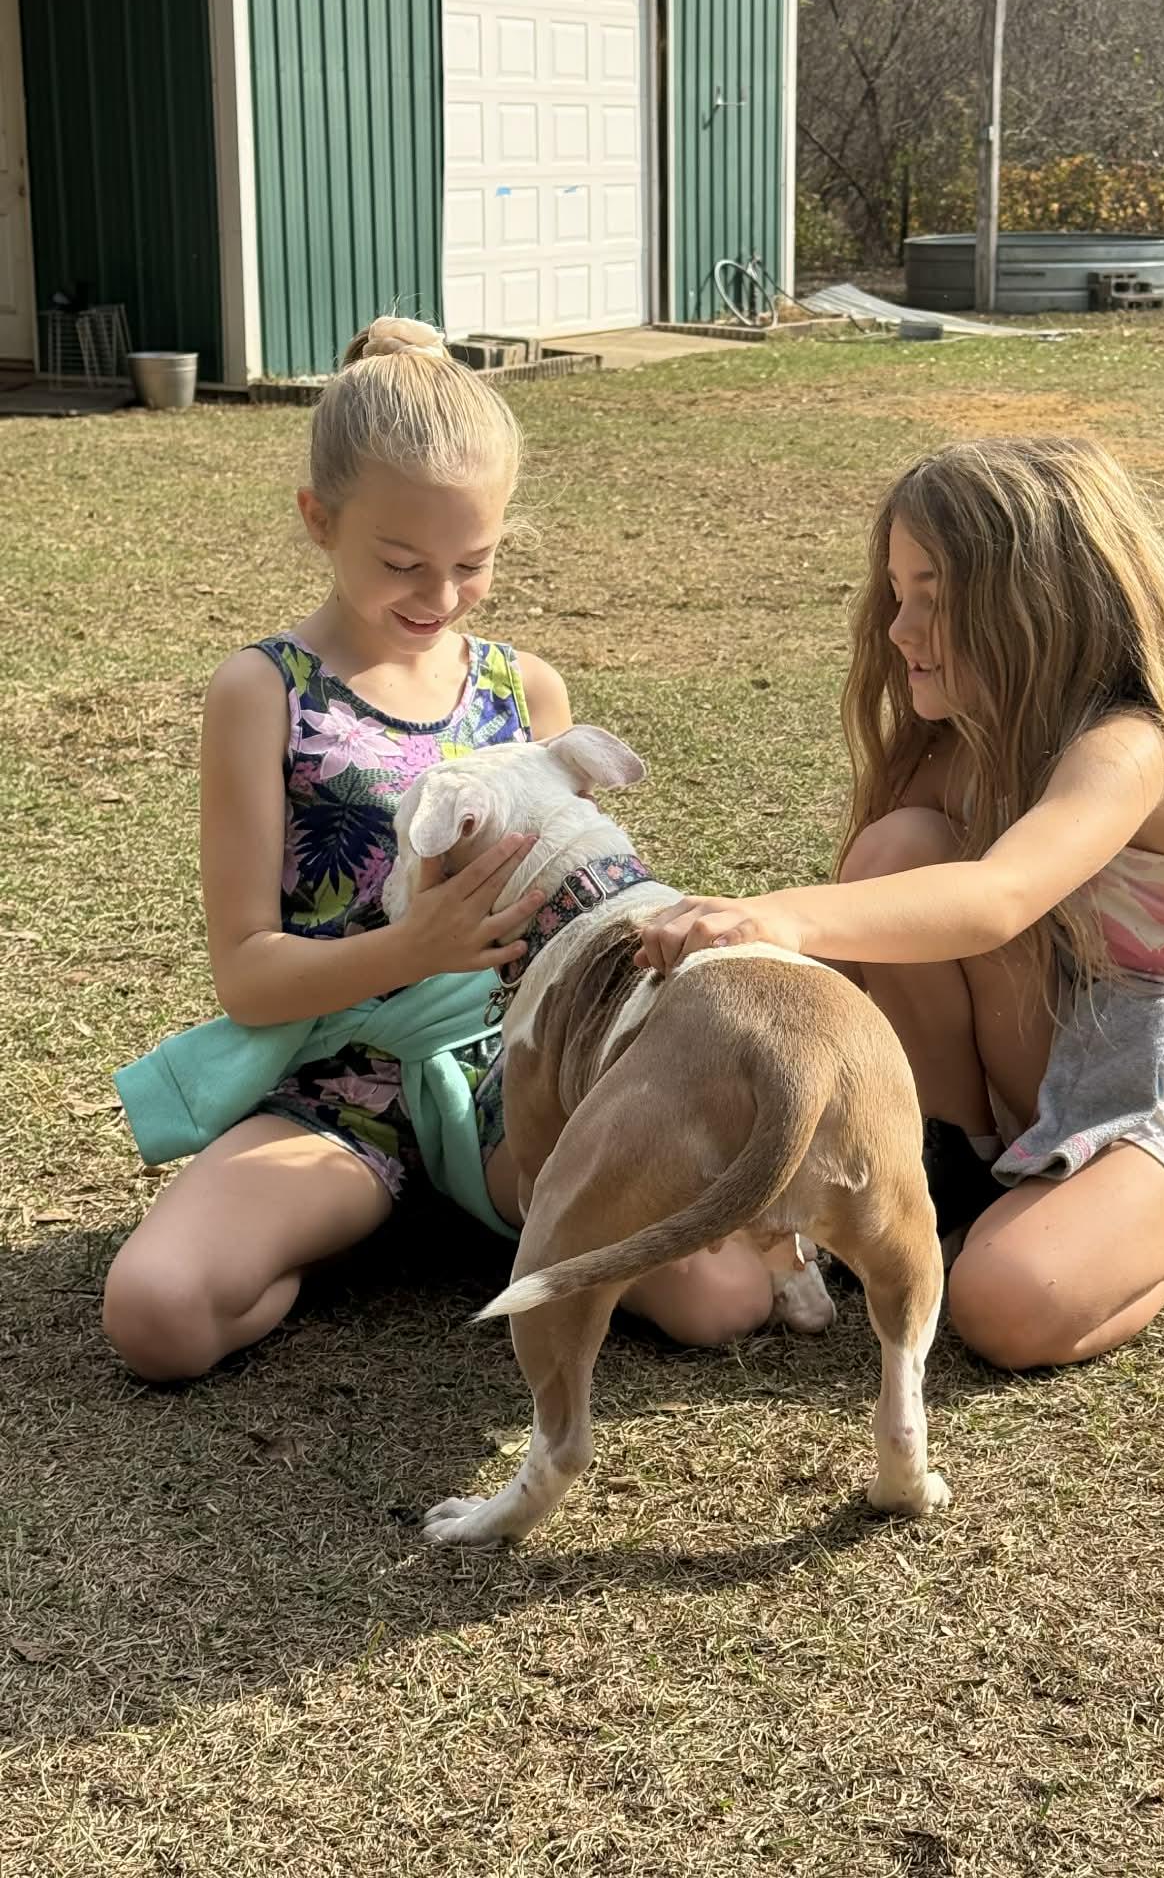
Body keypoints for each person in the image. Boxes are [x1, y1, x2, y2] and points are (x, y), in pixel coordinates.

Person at [104, 317, 772, 1381]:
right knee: (159, 1314)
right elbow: (247, 972)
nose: (441, 596)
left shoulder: (525, 689)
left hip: (523, 1074)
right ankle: (377, 1216)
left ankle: (486, 1202)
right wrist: (412, 946)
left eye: (474, 561)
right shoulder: (262, 692)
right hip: (345, 1090)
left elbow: (592, 907)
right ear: (318, 518)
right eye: (403, 562)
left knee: (723, 1298)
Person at [637, 438, 1164, 1371]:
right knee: (897, 856)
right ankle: (960, 1172)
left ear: (1042, 606)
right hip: (1077, 1022)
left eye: (935, 596)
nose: (899, 627)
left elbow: (997, 899)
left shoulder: (1134, 746)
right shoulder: (968, 741)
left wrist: (782, 915)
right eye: (897, 592)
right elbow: (910, 918)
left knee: (1004, 1305)